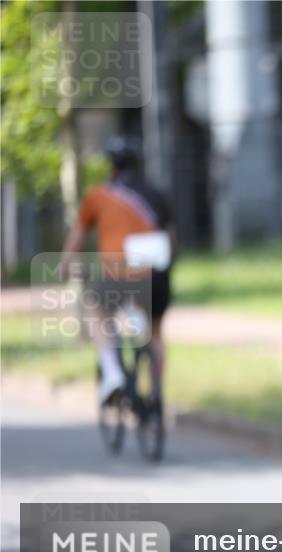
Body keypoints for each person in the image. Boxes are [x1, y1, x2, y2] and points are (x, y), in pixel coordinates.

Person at [59, 136, 176, 406]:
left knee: (96, 307)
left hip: (119, 275)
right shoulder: (156, 194)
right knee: (155, 333)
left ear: (110, 167)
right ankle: (157, 393)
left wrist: (65, 264)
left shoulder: (98, 195)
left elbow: (78, 235)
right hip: (157, 277)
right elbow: (171, 240)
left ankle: (112, 373)